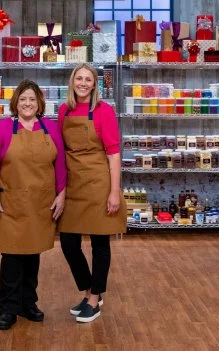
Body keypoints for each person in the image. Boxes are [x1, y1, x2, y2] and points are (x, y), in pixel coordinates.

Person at [0, 79, 67, 331]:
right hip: (11, 203)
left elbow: (60, 165)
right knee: (11, 257)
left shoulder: (50, 129)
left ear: (39, 103)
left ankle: (28, 304)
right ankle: (8, 309)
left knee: (33, 256)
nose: (27, 104)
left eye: (32, 99)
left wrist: (61, 194)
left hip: (41, 203)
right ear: (15, 103)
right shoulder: (3, 129)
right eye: (23, 99)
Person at [57, 63, 126, 323]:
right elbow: (60, 149)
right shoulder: (65, 110)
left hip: (98, 181)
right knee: (68, 243)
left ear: (95, 84)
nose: (83, 83)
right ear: (72, 82)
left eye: (88, 79)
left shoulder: (103, 111)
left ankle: (95, 299)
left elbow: (114, 153)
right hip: (74, 182)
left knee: (100, 243)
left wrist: (114, 192)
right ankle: (90, 290)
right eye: (79, 78)